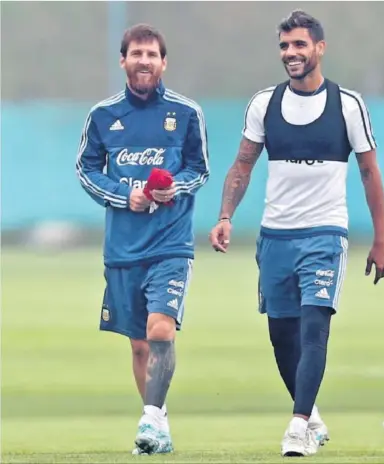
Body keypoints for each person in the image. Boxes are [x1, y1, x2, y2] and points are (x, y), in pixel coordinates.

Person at [209, 9, 384, 458]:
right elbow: (243, 164)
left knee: (315, 327)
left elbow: (369, 171)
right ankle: (311, 416)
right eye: (284, 46)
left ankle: (296, 427)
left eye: (299, 45)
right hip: (275, 237)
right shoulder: (263, 104)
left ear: (320, 48)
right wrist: (226, 216)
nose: (290, 53)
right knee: (282, 337)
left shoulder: (348, 104)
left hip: (325, 235)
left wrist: (381, 239)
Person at [76, 24, 209, 455]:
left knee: (160, 329)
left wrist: (176, 188)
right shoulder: (102, 116)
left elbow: (199, 169)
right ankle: (159, 421)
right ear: (123, 61)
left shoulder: (187, 113)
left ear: (164, 62)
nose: (144, 61)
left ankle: (149, 420)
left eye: (152, 54)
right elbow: (86, 170)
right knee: (138, 346)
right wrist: (123, 194)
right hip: (122, 249)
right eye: (136, 53)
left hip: (170, 243)